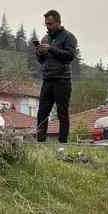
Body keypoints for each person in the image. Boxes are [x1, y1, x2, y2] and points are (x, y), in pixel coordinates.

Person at [34, 9, 78, 148]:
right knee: (42, 113)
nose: (48, 26)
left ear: (58, 22)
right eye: (46, 24)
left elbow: (70, 56)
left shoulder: (69, 37)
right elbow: (42, 61)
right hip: (47, 80)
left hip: (62, 81)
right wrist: (39, 52)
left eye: (50, 24)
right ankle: (40, 143)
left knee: (62, 113)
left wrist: (51, 49)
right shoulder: (45, 39)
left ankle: (63, 144)